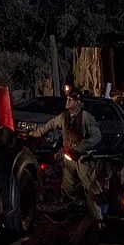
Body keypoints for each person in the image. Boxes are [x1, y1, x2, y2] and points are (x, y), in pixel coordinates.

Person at [29, 89, 103, 223]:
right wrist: (36, 134)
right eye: (67, 99)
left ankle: (96, 216)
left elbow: (96, 136)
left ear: (78, 102)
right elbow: (51, 124)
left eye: (70, 100)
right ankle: (73, 211)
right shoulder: (64, 116)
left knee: (89, 187)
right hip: (69, 158)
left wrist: (80, 147)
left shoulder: (86, 117)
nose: (67, 102)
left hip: (82, 159)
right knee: (67, 187)